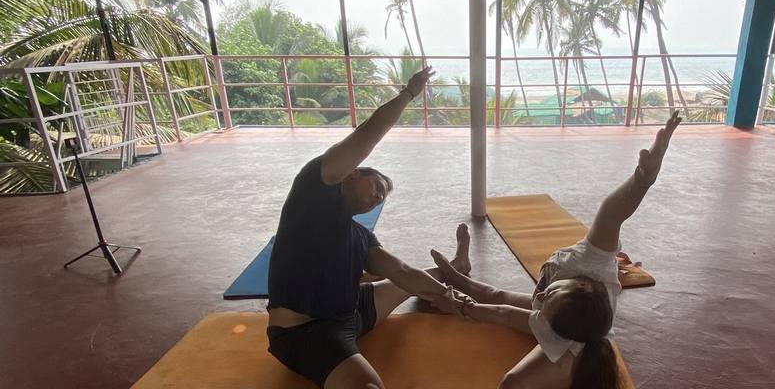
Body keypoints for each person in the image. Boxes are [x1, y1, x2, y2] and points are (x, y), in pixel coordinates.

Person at [431, 112, 682, 389]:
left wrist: (463, 307)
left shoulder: (561, 324)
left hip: (573, 347)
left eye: (544, 304)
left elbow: (504, 313)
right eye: (550, 294)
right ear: (582, 284)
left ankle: (569, 375)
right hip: (573, 320)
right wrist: (642, 180)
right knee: (499, 295)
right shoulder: (592, 261)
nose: (540, 296)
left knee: (512, 383)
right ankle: (457, 275)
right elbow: (613, 213)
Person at [266, 66, 473, 389]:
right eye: (377, 185)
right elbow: (369, 132)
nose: (379, 197)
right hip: (306, 332)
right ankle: (452, 269)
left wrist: (448, 298)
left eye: (383, 198)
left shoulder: (361, 236)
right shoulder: (314, 188)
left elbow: (401, 271)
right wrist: (409, 93)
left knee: (410, 282)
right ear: (352, 173)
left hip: (354, 311)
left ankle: (455, 267)